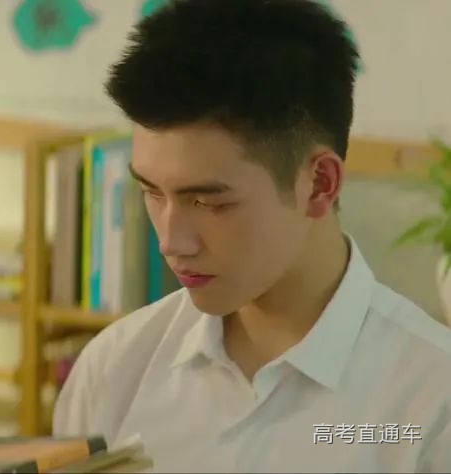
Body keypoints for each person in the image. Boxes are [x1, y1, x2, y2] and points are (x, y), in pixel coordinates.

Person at [53, 0, 451, 472]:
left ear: (319, 184)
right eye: (152, 192)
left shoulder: (430, 403)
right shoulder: (114, 369)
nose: (171, 242)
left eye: (209, 202)